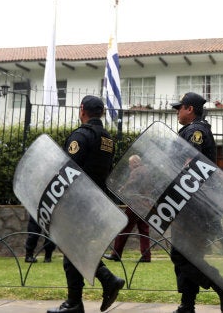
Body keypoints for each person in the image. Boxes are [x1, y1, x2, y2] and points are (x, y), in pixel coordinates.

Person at [47, 95, 125, 313]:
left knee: (72, 249)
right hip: (97, 201)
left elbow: (68, 170)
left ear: (82, 110)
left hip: (78, 203)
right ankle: (86, 294)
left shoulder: (81, 135)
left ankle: (77, 301)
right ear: (100, 112)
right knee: (76, 249)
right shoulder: (107, 139)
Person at [168, 92, 223, 313]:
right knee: (190, 255)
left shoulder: (195, 131)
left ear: (189, 109)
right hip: (191, 204)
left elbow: (190, 164)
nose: (177, 112)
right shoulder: (194, 130)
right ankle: (188, 305)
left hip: (193, 205)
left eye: (179, 108)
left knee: (180, 255)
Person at [104, 154, 152, 263]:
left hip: (136, 203)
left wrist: (122, 189)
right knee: (144, 230)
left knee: (125, 226)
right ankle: (146, 256)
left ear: (135, 162)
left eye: (130, 164)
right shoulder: (146, 170)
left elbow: (132, 183)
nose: (129, 166)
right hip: (145, 203)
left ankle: (116, 254)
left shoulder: (136, 171)